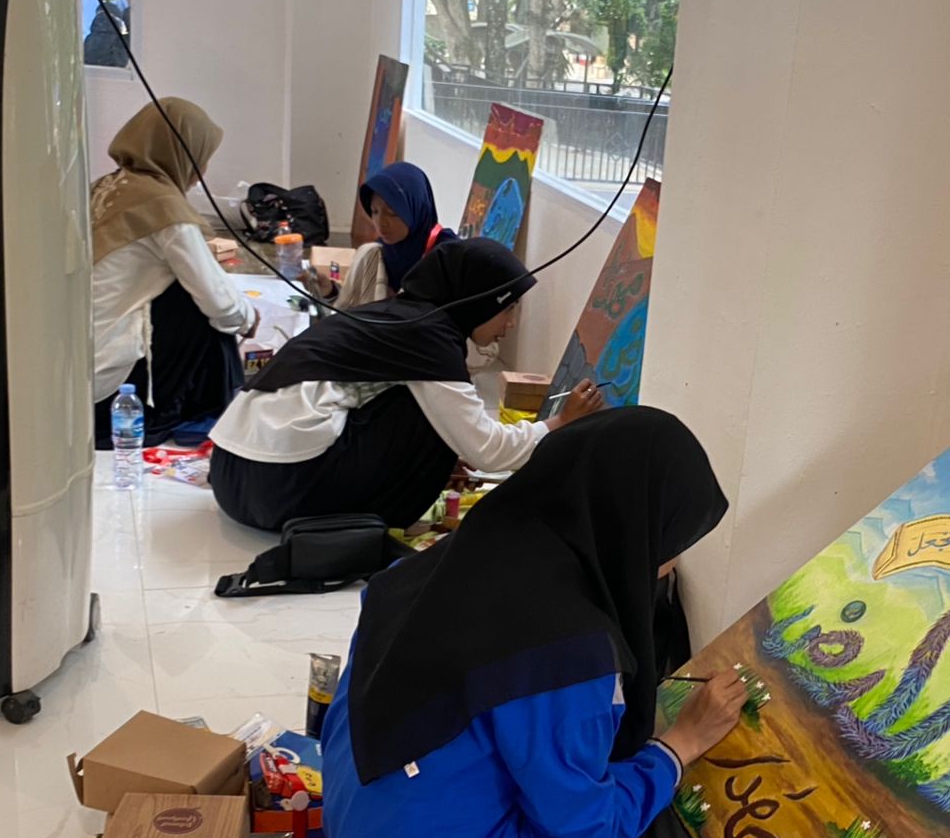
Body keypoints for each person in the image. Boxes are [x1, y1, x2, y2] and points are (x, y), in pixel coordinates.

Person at [320, 408, 876, 838]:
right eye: (668, 545)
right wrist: (680, 744)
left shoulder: (428, 571)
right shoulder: (562, 654)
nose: (668, 566)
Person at [209, 238, 603, 531]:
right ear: (482, 301)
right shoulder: (428, 340)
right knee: (429, 410)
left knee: (438, 413)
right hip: (278, 490)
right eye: (509, 308)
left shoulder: (398, 317)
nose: (511, 324)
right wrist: (559, 423)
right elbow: (489, 451)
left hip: (231, 476)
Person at [90, 98, 257, 449]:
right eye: (201, 158)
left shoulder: (105, 187)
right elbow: (220, 303)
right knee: (197, 302)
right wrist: (249, 317)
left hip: (74, 381)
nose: (202, 171)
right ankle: (203, 411)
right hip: (116, 395)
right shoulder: (162, 206)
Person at [308, 162, 455, 309]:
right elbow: (353, 307)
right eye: (375, 212)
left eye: (392, 213)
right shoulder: (378, 254)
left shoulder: (447, 256)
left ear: (416, 208)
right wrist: (329, 291)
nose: (381, 223)